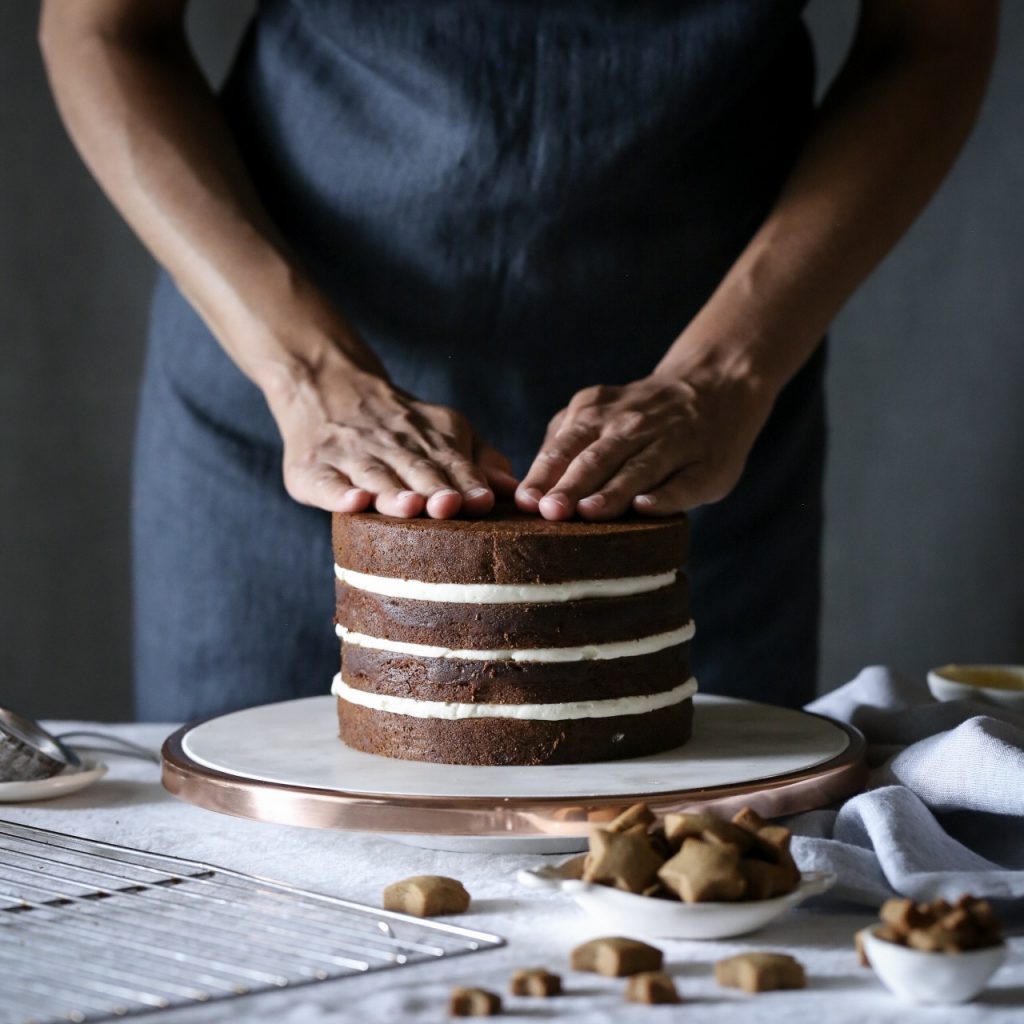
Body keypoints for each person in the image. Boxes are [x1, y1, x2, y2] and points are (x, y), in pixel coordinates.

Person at [40, 0, 996, 721]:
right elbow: (101, 29)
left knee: (677, 886)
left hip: (694, 417)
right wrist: (309, 375)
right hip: (289, 381)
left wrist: (727, 372)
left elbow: (932, 37)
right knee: (249, 889)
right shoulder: (298, 380)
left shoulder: (715, 390)